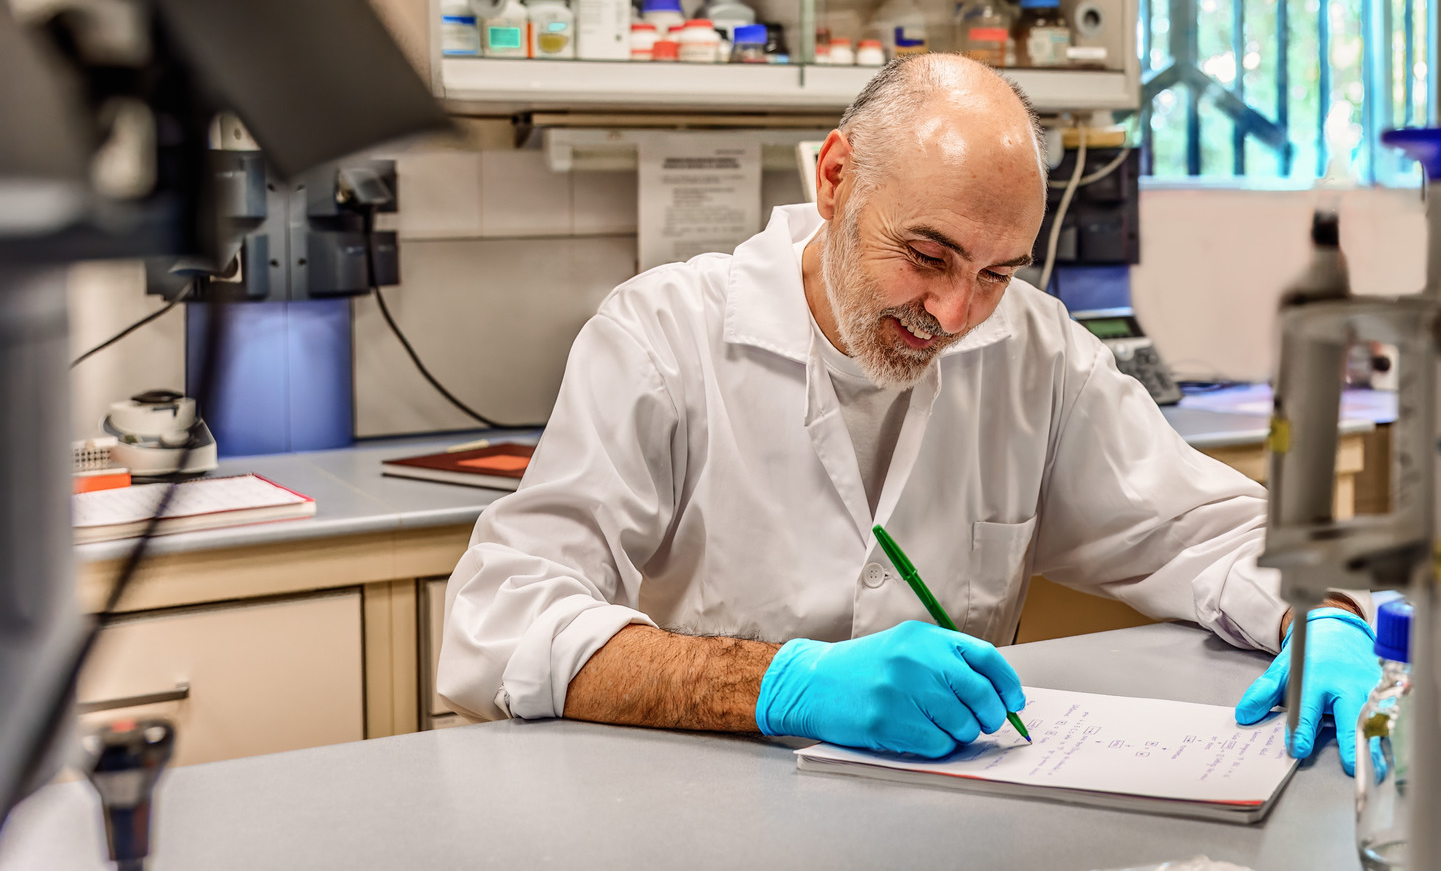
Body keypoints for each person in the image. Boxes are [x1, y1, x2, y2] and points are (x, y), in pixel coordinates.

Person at [439, 53, 1380, 772]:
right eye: (928, 256)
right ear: (835, 178)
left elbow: (1206, 529)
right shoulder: (664, 337)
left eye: (996, 272)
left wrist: (1325, 614)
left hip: (953, 819)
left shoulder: (1034, 351)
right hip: (708, 811)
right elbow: (501, 625)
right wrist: (783, 684)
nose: (956, 313)